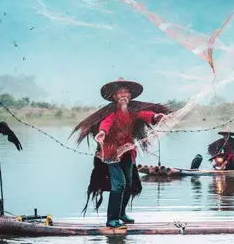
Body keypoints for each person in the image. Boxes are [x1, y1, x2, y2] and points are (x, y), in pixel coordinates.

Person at [72, 78, 171, 228]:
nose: (124, 95)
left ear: (130, 96)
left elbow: (145, 115)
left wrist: (156, 117)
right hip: (111, 154)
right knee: (118, 185)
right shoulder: (111, 113)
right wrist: (102, 133)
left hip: (128, 153)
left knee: (129, 185)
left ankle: (121, 213)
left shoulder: (133, 112)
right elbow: (106, 123)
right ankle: (112, 220)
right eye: (120, 92)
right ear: (114, 97)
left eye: (126, 92)